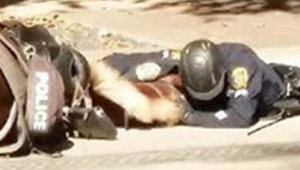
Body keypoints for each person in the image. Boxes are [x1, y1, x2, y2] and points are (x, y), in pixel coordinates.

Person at [102, 40, 299, 128]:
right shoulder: (190, 56)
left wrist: (190, 117)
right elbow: (128, 59)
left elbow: (241, 117)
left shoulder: (243, 69)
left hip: (279, 88)